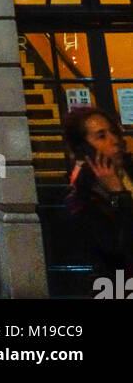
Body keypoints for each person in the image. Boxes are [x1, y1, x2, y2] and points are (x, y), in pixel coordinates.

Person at [62, 105, 133, 281]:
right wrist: (117, 194)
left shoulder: (129, 171)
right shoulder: (82, 199)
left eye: (114, 132)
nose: (114, 140)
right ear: (84, 148)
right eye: (101, 136)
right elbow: (115, 250)